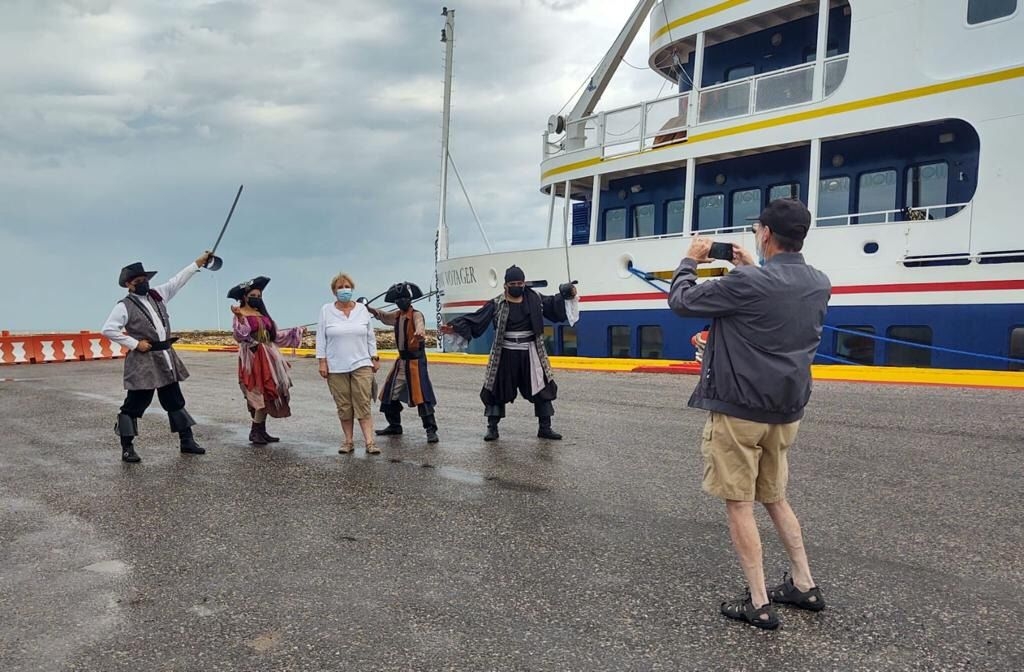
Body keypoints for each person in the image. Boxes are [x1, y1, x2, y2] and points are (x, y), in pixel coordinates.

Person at [668, 198, 831, 630]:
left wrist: (689, 260)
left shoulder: (750, 284)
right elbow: (771, 301)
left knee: (739, 503)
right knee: (775, 497)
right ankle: (803, 583)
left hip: (740, 410)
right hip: (786, 410)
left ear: (765, 234)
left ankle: (758, 601)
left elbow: (682, 301)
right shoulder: (819, 282)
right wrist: (748, 269)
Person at [440, 266, 579, 441]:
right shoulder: (497, 303)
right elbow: (477, 319)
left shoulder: (535, 299)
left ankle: (545, 427)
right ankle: (492, 428)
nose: (517, 286)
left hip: (531, 351)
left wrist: (567, 293)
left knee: (542, 386)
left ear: (524, 283)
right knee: (496, 387)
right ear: (506, 285)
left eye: (520, 283)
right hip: (505, 352)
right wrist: (454, 327)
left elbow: (554, 305)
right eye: (513, 283)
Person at [101, 252, 213, 463]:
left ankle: (187, 441)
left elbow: (177, 281)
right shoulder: (123, 306)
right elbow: (108, 329)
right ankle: (127, 448)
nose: (143, 283)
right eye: (138, 281)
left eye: (145, 280)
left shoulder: (158, 295)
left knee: (175, 401)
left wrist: (197, 263)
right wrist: (135, 344)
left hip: (165, 357)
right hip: (143, 361)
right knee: (135, 404)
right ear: (129, 284)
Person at [228, 276, 305, 445]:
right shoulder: (241, 314)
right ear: (244, 297)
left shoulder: (262, 315)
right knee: (259, 392)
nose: (257, 298)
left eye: (259, 296)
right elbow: (240, 335)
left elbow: (276, 336)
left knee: (269, 392)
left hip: (270, 356)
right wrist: (240, 318)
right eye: (253, 295)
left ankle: (260, 430)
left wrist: (296, 331)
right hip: (254, 358)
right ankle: (255, 431)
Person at [316, 273, 381, 455]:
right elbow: (321, 338)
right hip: (336, 366)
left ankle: (370, 442)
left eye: (347, 287)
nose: (344, 290)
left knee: (363, 402)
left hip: (361, 363)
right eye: (340, 287)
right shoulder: (326, 310)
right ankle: (348, 441)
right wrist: (322, 362)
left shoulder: (361, 310)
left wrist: (374, 357)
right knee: (344, 406)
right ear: (334, 291)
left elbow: (370, 335)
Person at [368, 282, 439, 444]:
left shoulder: (416, 314)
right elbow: (384, 316)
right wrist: (369, 309)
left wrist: (420, 331)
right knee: (389, 393)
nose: (402, 302)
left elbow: (420, 324)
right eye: (399, 299)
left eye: (404, 298)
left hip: (416, 361)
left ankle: (431, 430)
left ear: (410, 299)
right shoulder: (398, 315)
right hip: (401, 361)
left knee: (422, 395)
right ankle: (394, 425)